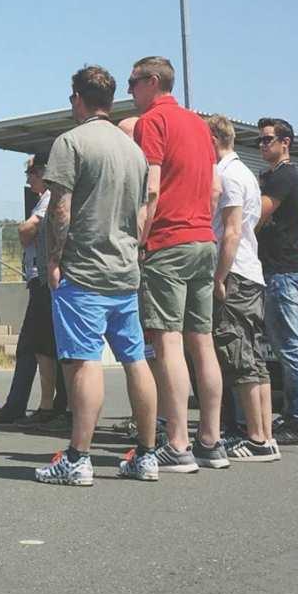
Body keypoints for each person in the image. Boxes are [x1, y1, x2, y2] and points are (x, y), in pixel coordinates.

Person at [34, 66, 161, 485]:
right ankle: (146, 455)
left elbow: (60, 208)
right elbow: (145, 209)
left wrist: (53, 259)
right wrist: (132, 246)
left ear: (77, 98)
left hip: (84, 272)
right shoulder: (133, 151)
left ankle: (77, 458)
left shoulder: (71, 143)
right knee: (135, 360)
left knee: (84, 362)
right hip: (125, 271)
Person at [127, 57, 227, 473]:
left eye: (133, 83)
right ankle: (211, 440)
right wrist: (201, 223)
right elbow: (216, 188)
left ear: (152, 82)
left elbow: (151, 186)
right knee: (201, 341)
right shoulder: (200, 126)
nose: (130, 92)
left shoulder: (153, 121)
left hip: (168, 241)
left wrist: (139, 239)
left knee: (167, 342)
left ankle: (177, 443)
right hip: (204, 240)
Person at [205, 115, 278, 461]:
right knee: (254, 356)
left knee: (238, 354)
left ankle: (257, 438)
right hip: (251, 272)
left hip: (236, 273)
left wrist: (219, 276)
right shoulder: (245, 173)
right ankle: (264, 434)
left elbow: (231, 231)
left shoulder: (228, 175)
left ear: (215, 139)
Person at [0, 156, 66, 427]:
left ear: (44, 171)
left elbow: (28, 229)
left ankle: (46, 407)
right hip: (40, 279)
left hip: (45, 280)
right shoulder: (46, 196)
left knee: (37, 345)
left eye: (31, 172)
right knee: (36, 346)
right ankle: (34, 404)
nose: (28, 179)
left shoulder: (50, 195)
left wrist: (25, 230)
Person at [256, 116, 298, 446]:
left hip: (282, 272)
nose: (263, 145)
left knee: (292, 348)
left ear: (285, 143)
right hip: (276, 271)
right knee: (284, 347)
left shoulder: (285, 176)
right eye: (260, 141)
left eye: (267, 140)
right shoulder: (272, 176)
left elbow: (260, 211)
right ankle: (296, 414)